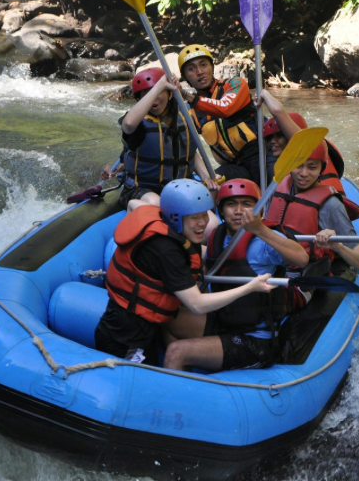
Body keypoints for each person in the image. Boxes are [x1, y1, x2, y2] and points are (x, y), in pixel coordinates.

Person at [94, 179, 275, 363]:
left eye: (204, 214)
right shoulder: (166, 251)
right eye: (194, 217)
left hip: (129, 324)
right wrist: (250, 286)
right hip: (126, 339)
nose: (203, 223)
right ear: (175, 217)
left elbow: (133, 204)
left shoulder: (162, 220)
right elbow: (196, 305)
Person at [162, 178, 311, 371]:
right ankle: (190, 371)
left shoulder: (264, 240)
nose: (239, 211)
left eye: (247, 204)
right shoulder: (217, 235)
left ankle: (183, 370)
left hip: (255, 338)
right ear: (221, 210)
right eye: (231, 204)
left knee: (176, 352)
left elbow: (302, 258)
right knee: (163, 318)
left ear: (259, 210)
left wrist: (259, 229)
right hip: (223, 320)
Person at [265, 140, 359, 277]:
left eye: (312, 167)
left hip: (301, 277)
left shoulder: (331, 204)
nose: (304, 173)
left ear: (321, 169)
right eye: (298, 165)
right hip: (267, 265)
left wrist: (337, 246)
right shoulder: (276, 187)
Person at [115, 67, 216, 209]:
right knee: (155, 202)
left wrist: (206, 177)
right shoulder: (138, 122)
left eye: (158, 93)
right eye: (147, 95)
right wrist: (159, 86)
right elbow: (129, 124)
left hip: (179, 187)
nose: (153, 100)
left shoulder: (184, 116)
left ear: (170, 95)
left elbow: (190, 152)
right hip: (143, 190)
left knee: (211, 197)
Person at [177, 44, 275, 183]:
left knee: (276, 190)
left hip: (262, 155)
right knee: (206, 185)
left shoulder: (235, 84)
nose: (199, 72)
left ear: (212, 67)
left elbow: (225, 108)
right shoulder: (190, 112)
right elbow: (183, 143)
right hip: (233, 166)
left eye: (204, 65)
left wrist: (186, 94)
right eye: (191, 69)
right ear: (185, 77)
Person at [258, 89, 359, 220]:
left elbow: (278, 111)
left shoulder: (309, 146)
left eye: (279, 135)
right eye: (269, 138)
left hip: (329, 212)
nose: (272, 141)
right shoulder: (293, 162)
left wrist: (264, 94)